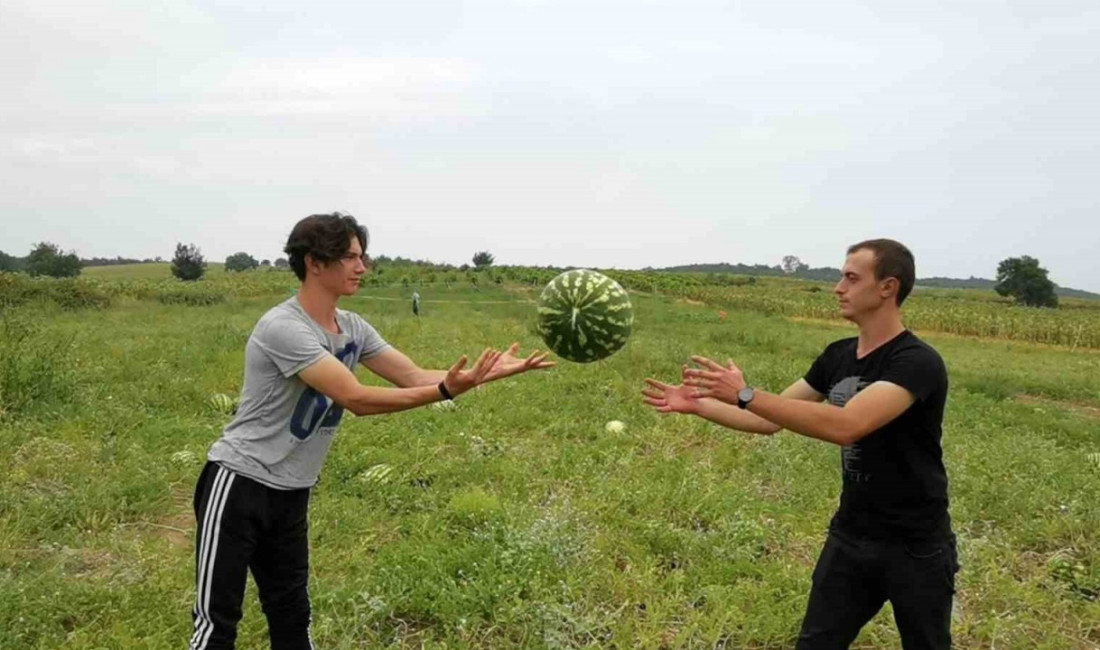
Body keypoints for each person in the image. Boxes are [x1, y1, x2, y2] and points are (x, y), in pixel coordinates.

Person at [189, 213, 553, 649]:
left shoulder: (354, 328)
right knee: (217, 622)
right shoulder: (283, 327)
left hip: (292, 489)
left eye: (362, 257)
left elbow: (413, 375)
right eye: (349, 257)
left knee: (291, 611)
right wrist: (445, 390)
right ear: (314, 263)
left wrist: (482, 374)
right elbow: (356, 398)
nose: (362, 267)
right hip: (239, 483)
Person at [642, 239, 957, 649]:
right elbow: (767, 420)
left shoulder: (916, 362)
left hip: (916, 545)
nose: (837, 287)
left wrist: (746, 392)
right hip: (851, 535)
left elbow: (848, 425)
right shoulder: (838, 355)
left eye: (851, 277)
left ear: (887, 287)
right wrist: (698, 405)